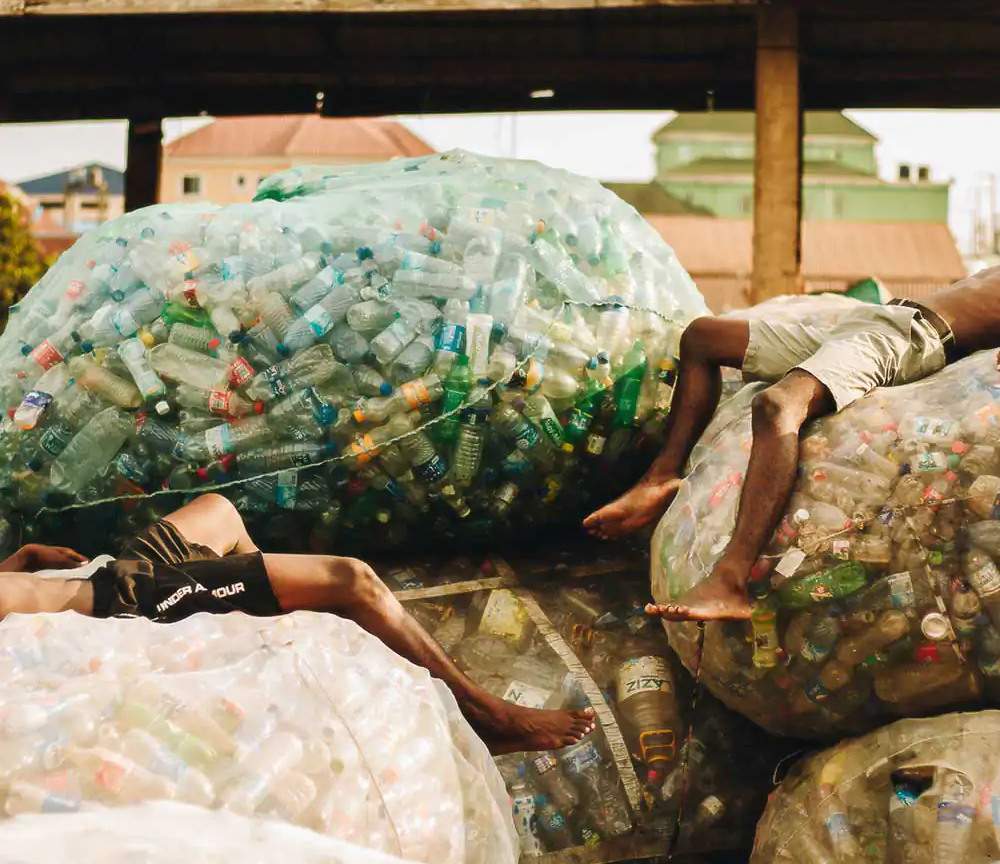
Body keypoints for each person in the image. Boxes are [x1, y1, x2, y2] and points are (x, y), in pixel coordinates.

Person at [0, 493, 595, 755]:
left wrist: (21, 559)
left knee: (218, 512)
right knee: (351, 579)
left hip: (107, 577)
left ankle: (282, 617)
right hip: (124, 608)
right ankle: (486, 715)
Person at [584, 271, 1000, 621]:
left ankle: (730, 580)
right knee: (702, 338)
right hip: (877, 321)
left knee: (779, 405)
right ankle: (660, 478)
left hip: (907, 337)